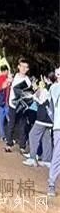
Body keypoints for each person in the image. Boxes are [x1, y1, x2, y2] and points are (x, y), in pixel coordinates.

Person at [4, 58, 33, 153]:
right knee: (11, 124)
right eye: (22, 66)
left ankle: (22, 146)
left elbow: (29, 94)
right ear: (18, 67)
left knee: (23, 125)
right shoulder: (14, 77)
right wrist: (8, 81)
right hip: (13, 105)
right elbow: (3, 86)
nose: (23, 68)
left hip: (22, 106)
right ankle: (8, 144)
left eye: (26, 67)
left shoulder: (28, 81)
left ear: (28, 69)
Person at [24, 73, 53, 168]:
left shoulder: (46, 89)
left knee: (32, 135)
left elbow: (41, 100)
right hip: (50, 119)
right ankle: (47, 160)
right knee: (46, 138)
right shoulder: (53, 87)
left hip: (42, 117)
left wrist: (38, 90)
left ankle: (32, 158)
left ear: (45, 79)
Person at [46, 68, 60, 197]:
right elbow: (50, 107)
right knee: (57, 154)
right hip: (58, 127)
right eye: (57, 74)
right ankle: (51, 183)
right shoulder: (55, 88)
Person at [0, 65, 10, 140]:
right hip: (6, 101)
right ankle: (9, 135)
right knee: (10, 119)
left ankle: (2, 135)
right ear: (6, 71)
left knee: (1, 120)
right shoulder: (7, 79)